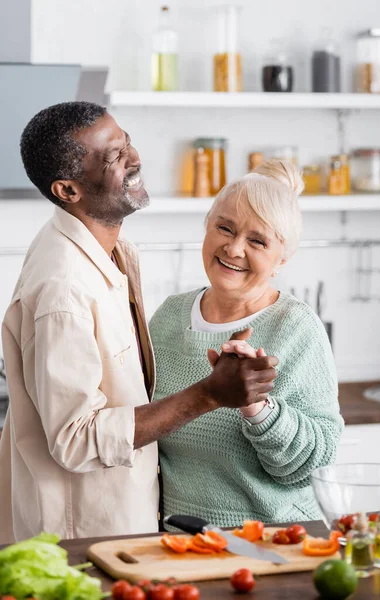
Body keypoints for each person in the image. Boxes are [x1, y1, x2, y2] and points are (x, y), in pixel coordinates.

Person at [0, 102, 278, 543]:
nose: (135, 159)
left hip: (120, 518)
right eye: (113, 156)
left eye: (126, 141)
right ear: (68, 190)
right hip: (82, 533)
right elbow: (75, 439)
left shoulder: (109, 247)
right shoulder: (64, 288)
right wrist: (208, 394)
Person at [150, 159, 344, 527]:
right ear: (207, 226)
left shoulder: (296, 328)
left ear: (282, 258)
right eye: (225, 227)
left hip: (275, 542)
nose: (234, 248)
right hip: (178, 543)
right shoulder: (168, 317)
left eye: (257, 240)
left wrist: (257, 407)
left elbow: (315, 465)